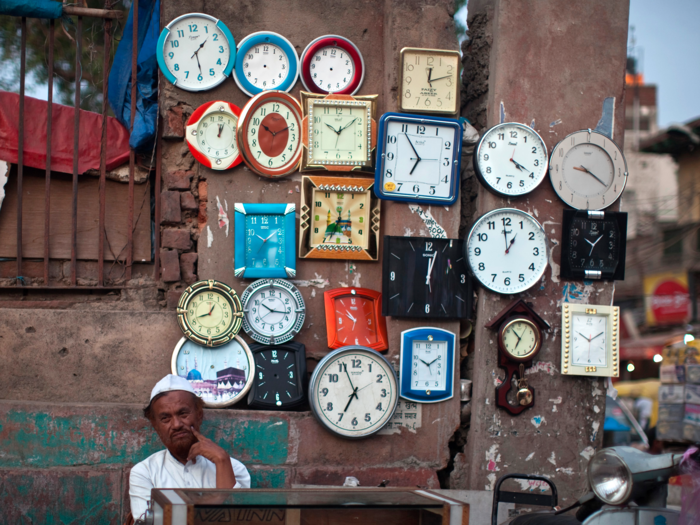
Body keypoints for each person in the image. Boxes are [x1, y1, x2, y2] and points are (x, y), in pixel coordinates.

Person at [129, 375, 251, 520]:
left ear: (199, 415)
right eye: (165, 418)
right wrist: (215, 502)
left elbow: (238, 520)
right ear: (155, 425)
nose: (176, 424)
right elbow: (146, 523)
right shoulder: (145, 472)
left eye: (183, 413)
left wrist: (222, 460)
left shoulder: (234, 468)